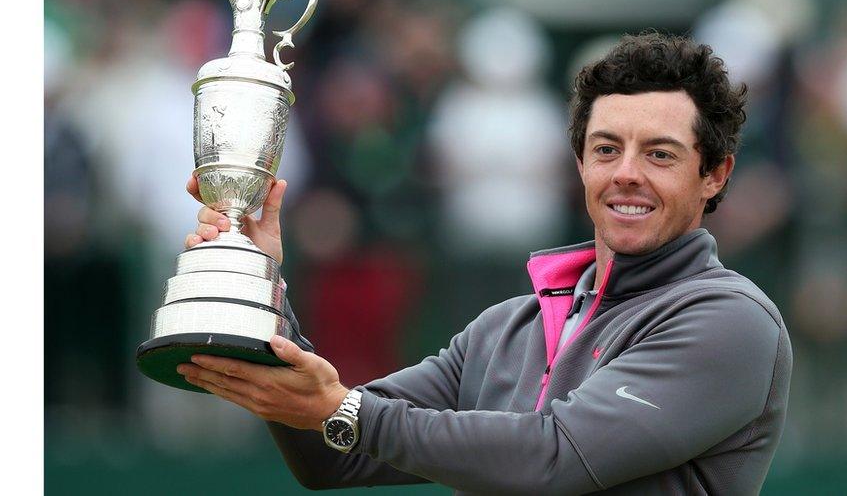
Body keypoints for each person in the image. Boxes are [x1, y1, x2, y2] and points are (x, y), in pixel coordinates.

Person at [178, 32, 793, 495]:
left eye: (660, 154)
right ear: (579, 164)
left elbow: (553, 460)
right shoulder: (505, 329)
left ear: (714, 174)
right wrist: (260, 285)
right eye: (606, 149)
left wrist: (341, 410)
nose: (626, 173)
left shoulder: (729, 322)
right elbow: (335, 452)